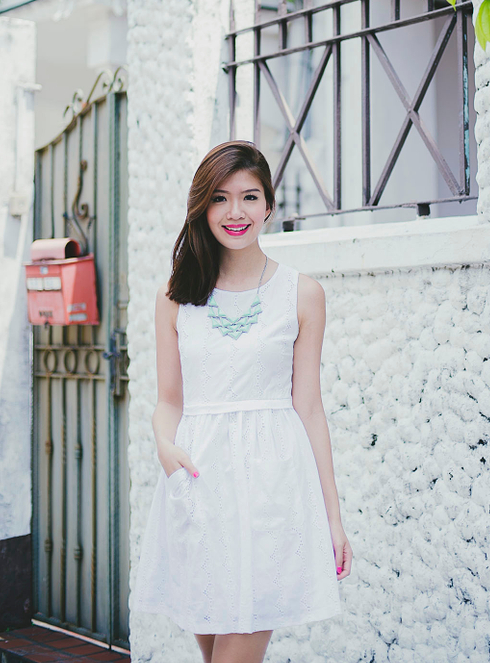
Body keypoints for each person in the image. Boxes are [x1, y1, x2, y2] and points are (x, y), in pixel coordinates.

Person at [130, 141, 352, 663]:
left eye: (249, 197)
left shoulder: (303, 294)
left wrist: (333, 518)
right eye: (220, 199)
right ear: (202, 207)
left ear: (269, 206)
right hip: (200, 490)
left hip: (273, 492)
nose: (235, 213)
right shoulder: (175, 296)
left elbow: (310, 410)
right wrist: (165, 445)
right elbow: (168, 401)